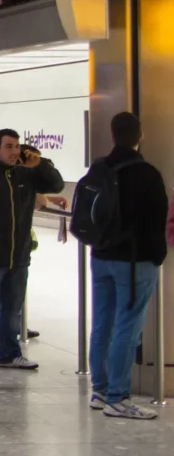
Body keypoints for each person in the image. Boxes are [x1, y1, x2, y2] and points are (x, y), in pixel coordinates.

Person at [91, 112, 167, 419]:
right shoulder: (146, 173)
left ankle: (100, 390)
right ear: (140, 136)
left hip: (100, 257)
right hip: (135, 261)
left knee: (102, 324)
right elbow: (157, 219)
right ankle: (119, 397)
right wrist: (157, 255)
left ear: (112, 135)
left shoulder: (98, 169)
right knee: (127, 326)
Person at [0, 127, 64, 370]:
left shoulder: (25, 175)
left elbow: (56, 184)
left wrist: (39, 165)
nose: (14, 151)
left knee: (12, 309)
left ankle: (9, 354)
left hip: (18, 256)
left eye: (17, 146)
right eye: (8, 146)